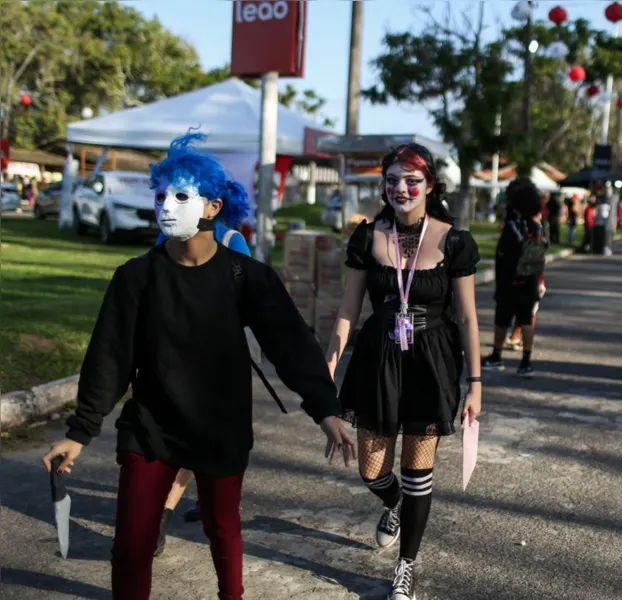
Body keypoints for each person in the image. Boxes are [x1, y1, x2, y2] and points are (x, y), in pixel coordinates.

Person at [40, 132, 356, 600]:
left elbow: (290, 344)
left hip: (220, 426)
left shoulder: (245, 276)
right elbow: (109, 357)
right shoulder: (136, 277)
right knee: (131, 545)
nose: (167, 204)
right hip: (151, 427)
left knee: (222, 528)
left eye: (181, 195)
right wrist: (79, 432)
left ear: (211, 207)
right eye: (161, 194)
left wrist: (325, 410)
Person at [324, 143, 482, 600]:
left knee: (419, 471)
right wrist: (326, 372)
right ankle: (392, 504)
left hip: (431, 363)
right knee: (372, 471)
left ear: (430, 186)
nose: (401, 188)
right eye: (392, 180)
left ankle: (405, 566)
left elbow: (469, 318)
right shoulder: (366, 236)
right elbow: (348, 311)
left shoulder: (454, 241)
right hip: (378, 360)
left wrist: (475, 383)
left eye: (411, 180)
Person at [151, 163, 253, 555]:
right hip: (175, 354)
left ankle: (164, 513)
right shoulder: (167, 242)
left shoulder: (233, 241)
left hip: (217, 359)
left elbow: (246, 298)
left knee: (200, 437)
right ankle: (170, 508)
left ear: (214, 205)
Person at [482, 178, 548, 378]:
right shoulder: (537, 228)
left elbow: (504, 256)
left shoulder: (512, 227)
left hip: (510, 282)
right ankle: (526, 362)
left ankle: (496, 356)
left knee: (502, 320)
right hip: (531, 281)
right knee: (526, 319)